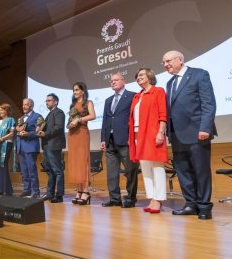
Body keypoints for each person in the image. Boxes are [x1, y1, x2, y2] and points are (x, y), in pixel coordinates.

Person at [163, 50, 217, 220]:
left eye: (168, 61)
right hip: (176, 134)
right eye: (163, 63)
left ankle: (204, 207)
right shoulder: (170, 83)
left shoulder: (199, 74)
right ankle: (190, 204)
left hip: (197, 132)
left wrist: (205, 128)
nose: (166, 65)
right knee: (183, 171)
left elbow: (208, 103)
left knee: (201, 171)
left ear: (180, 59)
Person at [128, 68, 168, 214]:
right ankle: (152, 197)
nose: (138, 77)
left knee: (157, 166)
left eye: (141, 75)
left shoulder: (158, 91)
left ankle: (159, 199)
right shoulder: (137, 96)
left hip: (152, 134)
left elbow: (163, 114)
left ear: (150, 76)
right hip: (138, 134)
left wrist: (160, 132)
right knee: (145, 167)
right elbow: (132, 119)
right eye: (137, 76)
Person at [101, 72, 139, 208]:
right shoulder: (108, 100)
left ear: (124, 81)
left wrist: (133, 137)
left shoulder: (132, 96)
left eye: (116, 80)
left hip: (126, 140)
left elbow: (136, 117)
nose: (113, 82)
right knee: (112, 172)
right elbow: (105, 121)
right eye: (111, 81)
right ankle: (114, 198)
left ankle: (130, 198)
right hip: (110, 140)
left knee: (130, 170)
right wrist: (103, 139)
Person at [67, 82, 96, 205]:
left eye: (77, 90)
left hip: (82, 133)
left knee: (83, 161)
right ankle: (79, 190)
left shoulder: (88, 102)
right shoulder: (72, 105)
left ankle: (86, 191)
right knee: (76, 162)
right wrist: (69, 124)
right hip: (72, 134)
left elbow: (93, 116)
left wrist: (79, 119)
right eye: (74, 90)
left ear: (83, 91)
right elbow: (70, 120)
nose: (75, 92)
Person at [38, 93, 66, 203]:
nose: (47, 102)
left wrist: (46, 133)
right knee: (50, 171)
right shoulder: (49, 114)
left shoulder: (59, 112)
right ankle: (50, 193)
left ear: (56, 102)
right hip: (47, 145)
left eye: (49, 100)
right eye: (46, 101)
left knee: (57, 171)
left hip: (54, 145)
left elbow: (58, 127)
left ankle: (59, 195)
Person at [16, 98, 43, 198]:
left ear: (31, 106)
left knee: (32, 170)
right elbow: (19, 130)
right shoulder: (21, 118)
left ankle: (35, 192)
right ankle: (27, 190)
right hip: (21, 147)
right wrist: (18, 131)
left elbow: (39, 131)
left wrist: (28, 134)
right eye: (23, 104)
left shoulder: (37, 116)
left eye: (26, 105)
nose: (24, 106)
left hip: (31, 146)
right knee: (24, 171)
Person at [0, 103, 15, 196]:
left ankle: (8, 190)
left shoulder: (11, 120)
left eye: (2, 110)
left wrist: (1, 139)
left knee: (3, 165)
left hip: (6, 144)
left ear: (7, 111)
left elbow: (12, 134)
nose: (0, 111)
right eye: (0, 110)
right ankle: (0, 189)